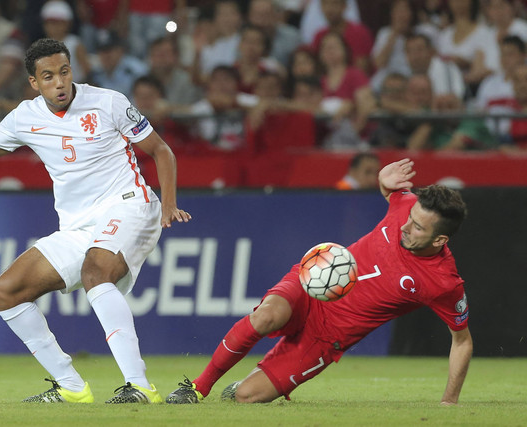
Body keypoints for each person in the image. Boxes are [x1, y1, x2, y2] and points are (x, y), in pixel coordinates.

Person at [0, 38, 191, 403]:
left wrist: (168, 204)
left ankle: (139, 385)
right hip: (77, 227)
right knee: (6, 291)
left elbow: (161, 149)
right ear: (34, 82)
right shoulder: (25, 117)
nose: (59, 82)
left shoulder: (108, 101)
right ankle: (72, 387)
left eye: (64, 72)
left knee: (97, 271)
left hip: (128, 204)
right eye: (48, 77)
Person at [166, 158, 472, 405]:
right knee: (267, 316)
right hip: (313, 282)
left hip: (329, 335)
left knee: (246, 397)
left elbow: (462, 341)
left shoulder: (442, 282)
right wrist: (383, 180)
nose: (406, 226)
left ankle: (249, 384)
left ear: (440, 239)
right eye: (410, 217)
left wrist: (449, 401)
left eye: (418, 228)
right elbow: (391, 193)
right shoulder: (407, 206)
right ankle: (198, 387)